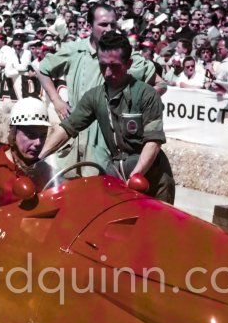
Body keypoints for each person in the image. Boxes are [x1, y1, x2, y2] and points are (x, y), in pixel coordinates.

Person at [39, 31, 175, 203]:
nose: (108, 72)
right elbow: (68, 128)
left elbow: (153, 143)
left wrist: (135, 176)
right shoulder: (94, 96)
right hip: (117, 171)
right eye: (103, 66)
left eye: (115, 66)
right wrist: (38, 158)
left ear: (128, 64)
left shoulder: (146, 95)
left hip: (149, 177)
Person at [36, 3, 158, 173]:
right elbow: (43, 69)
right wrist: (57, 101)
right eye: (103, 24)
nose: (109, 29)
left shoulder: (128, 56)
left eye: (113, 25)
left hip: (103, 137)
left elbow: (160, 83)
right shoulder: (74, 50)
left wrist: (137, 103)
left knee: (96, 185)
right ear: (89, 26)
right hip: (74, 130)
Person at [0, 97, 54, 208]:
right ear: (13, 133)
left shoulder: (45, 170)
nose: (38, 143)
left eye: (43, 136)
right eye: (31, 135)